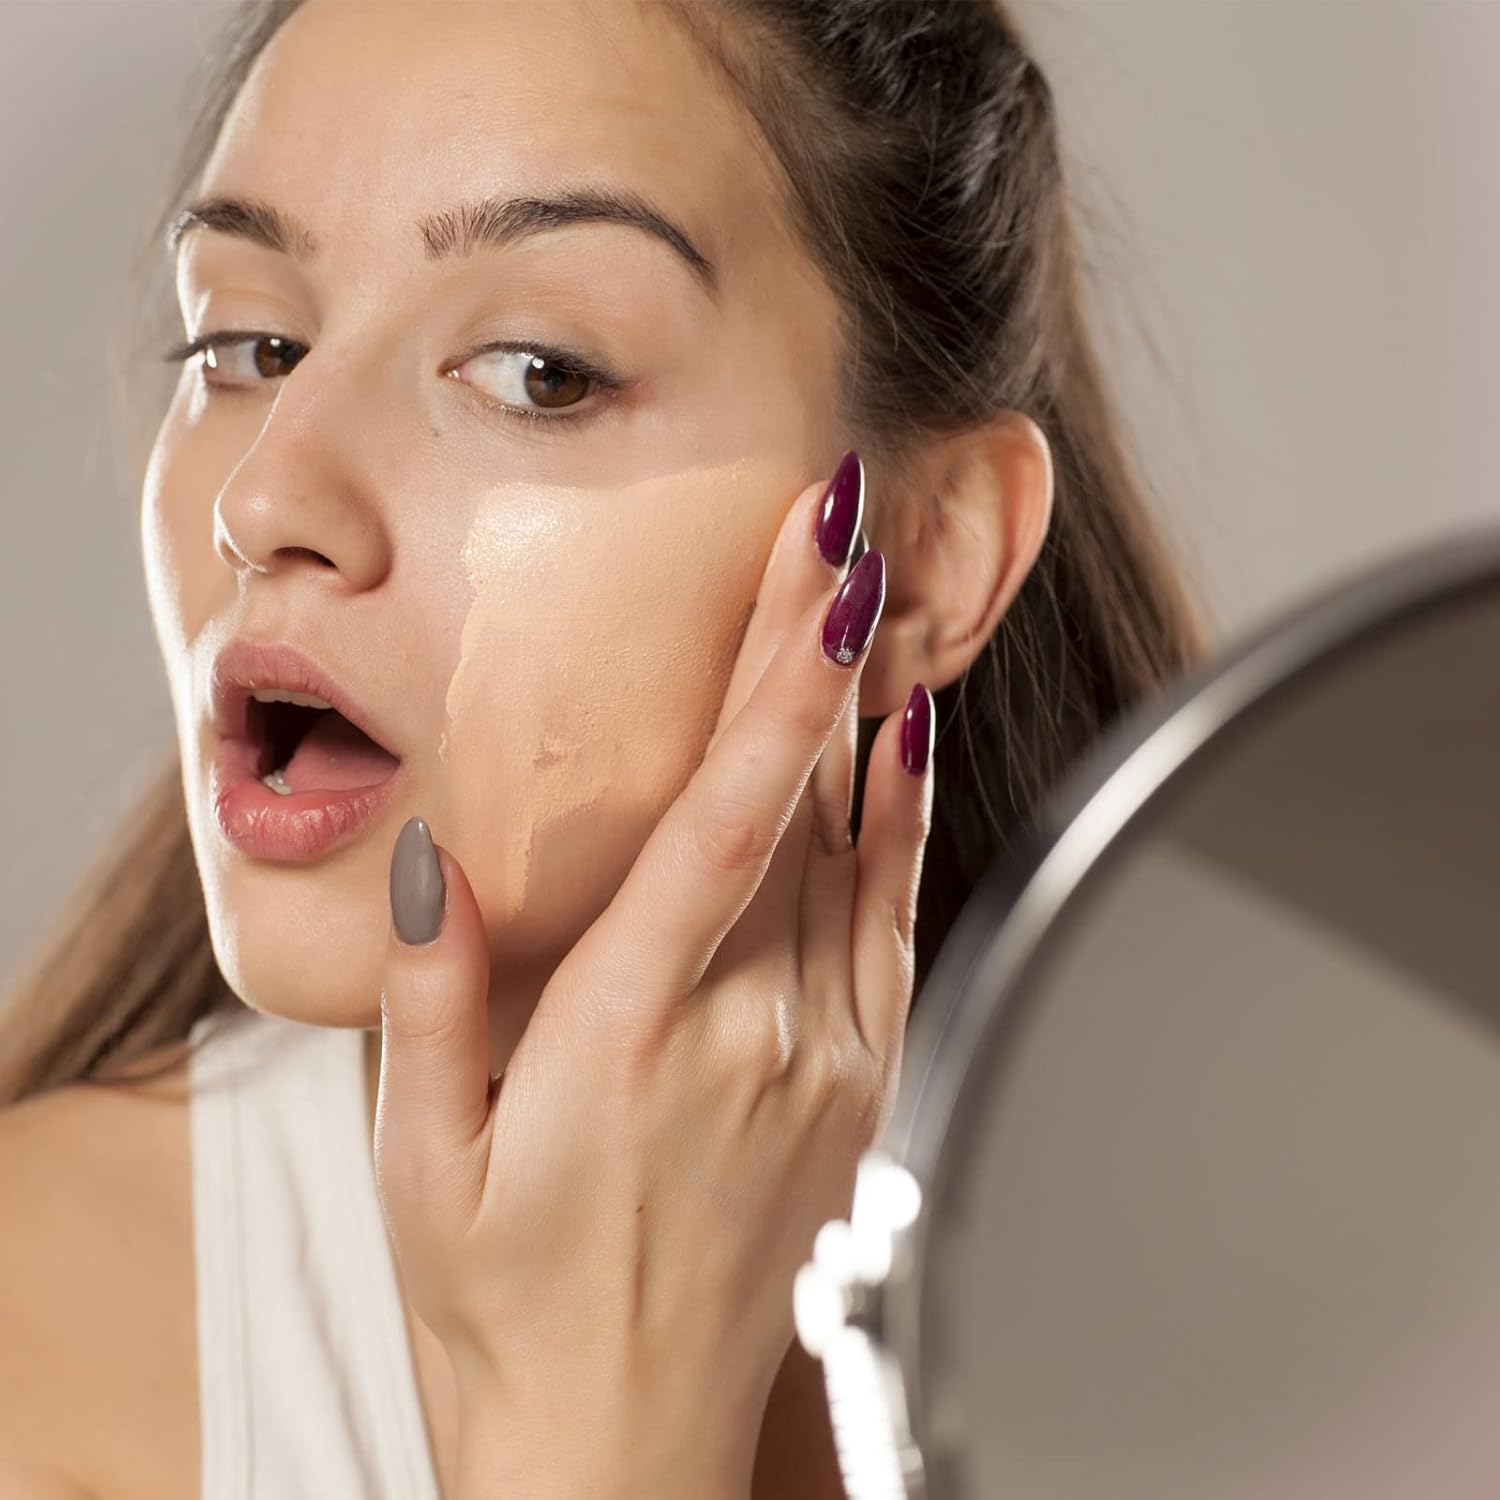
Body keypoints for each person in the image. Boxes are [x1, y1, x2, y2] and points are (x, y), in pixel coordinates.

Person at [0, 0, 1211, 1495]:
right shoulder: (40, 1367)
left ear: (924, 557)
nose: (264, 497)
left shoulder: (1299, 1315)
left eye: (539, 371)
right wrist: (586, 1427)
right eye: (251, 345)